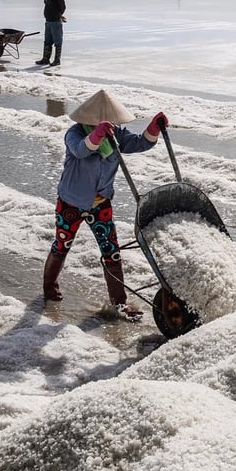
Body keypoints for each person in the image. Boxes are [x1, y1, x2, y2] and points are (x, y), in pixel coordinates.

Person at [42, 88, 169, 320]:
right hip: (71, 203)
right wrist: (97, 135)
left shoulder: (117, 134)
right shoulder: (74, 133)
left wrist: (153, 129)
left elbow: (140, 143)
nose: (109, 123)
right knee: (62, 245)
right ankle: (49, 286)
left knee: (111, 252)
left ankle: (119, 303)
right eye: (103, 121)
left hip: (101, 204)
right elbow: (80, 150)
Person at [36, 0, 66, 67]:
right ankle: (45, 59)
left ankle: (57, 60)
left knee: (57, 41)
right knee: (47, 41)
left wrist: (58, 15)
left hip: (56, 22)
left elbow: (63, 7)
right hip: (48, 21)